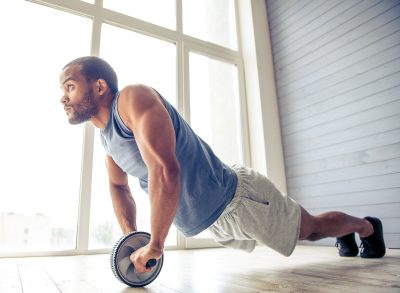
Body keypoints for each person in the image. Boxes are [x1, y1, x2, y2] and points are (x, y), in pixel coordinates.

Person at [59, 56, 386, 272]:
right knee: (307, 230)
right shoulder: (107, 140)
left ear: (99, 86)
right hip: (215, 218)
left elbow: (164, 170)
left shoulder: (131, 100)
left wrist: (156, 245)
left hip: (237, 200)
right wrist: (132, 237)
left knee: (310, 230)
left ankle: (366, 227)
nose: (63, 97)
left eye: (70, 87)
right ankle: (346, 232)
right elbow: (118, 186)